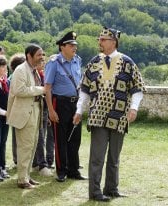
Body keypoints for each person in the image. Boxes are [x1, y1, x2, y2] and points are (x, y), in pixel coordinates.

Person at [73, 27, 145, 202]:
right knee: (97, 157)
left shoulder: (127, 63)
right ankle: (95, 192)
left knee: (114, 156)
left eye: (103, 40)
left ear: (113, 42)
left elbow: (138, 88)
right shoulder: (93, 62)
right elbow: (84, 90)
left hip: (120, 116)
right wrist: (78, 111)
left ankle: (112, 188)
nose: (100, 42)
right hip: (98, 116)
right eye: (100, 39)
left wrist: (134, 108)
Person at [44, 31, 86, 182]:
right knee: (60, 139)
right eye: (71, 45)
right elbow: (47, 87)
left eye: (75, 45)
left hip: (75, 103)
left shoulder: (77, 61)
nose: (74, 47)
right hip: (60, 103)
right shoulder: (54, 62)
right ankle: (61, 171)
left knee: (75, 138)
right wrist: (50, 110)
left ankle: (74, 170)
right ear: (62, 47)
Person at [7, 44, 45, 189]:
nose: (41, 57)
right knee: (25, 146)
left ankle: (26, 176)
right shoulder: (21, 70)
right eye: (38, 55)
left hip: (34, 110)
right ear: (29, 56)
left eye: (42, 54)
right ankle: (22, 180)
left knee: (32, 145)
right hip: (25, 113)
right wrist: (42, 89)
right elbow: (19, 90)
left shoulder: (33, 70)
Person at [32, 59, 53, 177]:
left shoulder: (43, 75)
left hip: (44, 110)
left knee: (42, 137)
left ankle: (35, 162)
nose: (43, 63)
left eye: (44, 61)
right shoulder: (34, 76)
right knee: (40, 138)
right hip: (37, 110)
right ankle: (42, 164)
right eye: (40, 61)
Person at [7, 53, 26, 166]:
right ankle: (17, 158)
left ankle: (18, 158)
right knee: (17, 136)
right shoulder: (14, 77)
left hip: (18, 109)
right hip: (17, 109)